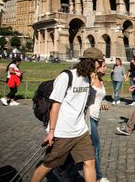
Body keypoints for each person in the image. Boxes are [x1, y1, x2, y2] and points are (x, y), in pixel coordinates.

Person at [30, 47, 105, 182]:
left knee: (90, 162)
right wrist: (51, 131)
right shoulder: (66, 76)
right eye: (100, 62)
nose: (101, 65)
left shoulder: (88, 79)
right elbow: (55, 105)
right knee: (48, 165)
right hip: (63, 131)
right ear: (92, 61)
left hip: (80, 131)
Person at [89, 60, 110, 182]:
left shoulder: (101, 80)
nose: (106, 68)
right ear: (97, 67)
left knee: (78, 146)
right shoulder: (90, 80)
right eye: (104, 66)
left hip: (96, 117)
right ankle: (98, 177)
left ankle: (61, 167)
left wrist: (104, 102)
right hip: (89, 116)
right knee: (96, 146)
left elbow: (101, 97)